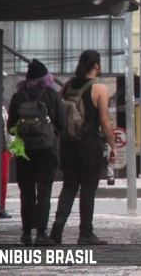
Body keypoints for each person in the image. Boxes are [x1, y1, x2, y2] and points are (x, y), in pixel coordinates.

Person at [50, 50, 117, 245]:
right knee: (88, 189)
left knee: (69, 186)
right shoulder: (100, 89)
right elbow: (104, 121)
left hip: (67, 145)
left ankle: (58, 227)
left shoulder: (68, 85)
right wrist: (113, 145)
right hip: (89, 146)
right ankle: (85, 233)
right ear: (96, 65)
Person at [7, 59, 64, 246]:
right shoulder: (51, 95)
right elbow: (62, 123)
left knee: (27, 192)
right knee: (44, 191)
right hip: (47, 151)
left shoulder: (18, 97)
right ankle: (41, 233)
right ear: (46, 78)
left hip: (24, 151)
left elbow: (10, 127)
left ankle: (26, 233)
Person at [0, 106, 13, 219]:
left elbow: (8, 129)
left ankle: (1, 206)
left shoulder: (2, 110)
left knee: (3, 178)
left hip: (3, 148)